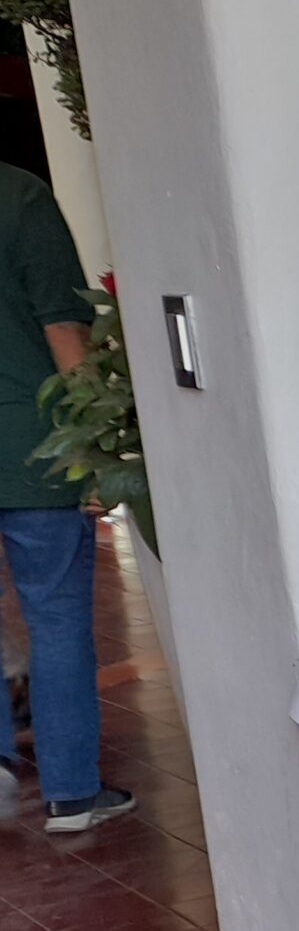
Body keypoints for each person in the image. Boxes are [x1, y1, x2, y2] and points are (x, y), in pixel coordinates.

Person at [0, 161, 126, 834]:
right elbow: (64, 333)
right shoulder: (21, 197)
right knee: (55, 620)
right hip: (35, 448)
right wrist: (99, 448)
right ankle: (72, 794)